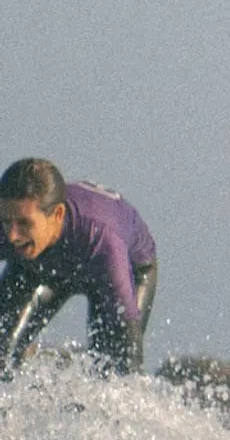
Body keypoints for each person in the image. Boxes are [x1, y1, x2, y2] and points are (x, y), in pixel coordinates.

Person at [0, 158, 158, 374]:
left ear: (57, 215)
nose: (12, 235)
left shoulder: (102, 241)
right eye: (7, 221)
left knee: (113, 370)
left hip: (126, 269)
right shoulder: (11, 232)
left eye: (24, 224)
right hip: (37, 265)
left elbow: (128, 359)